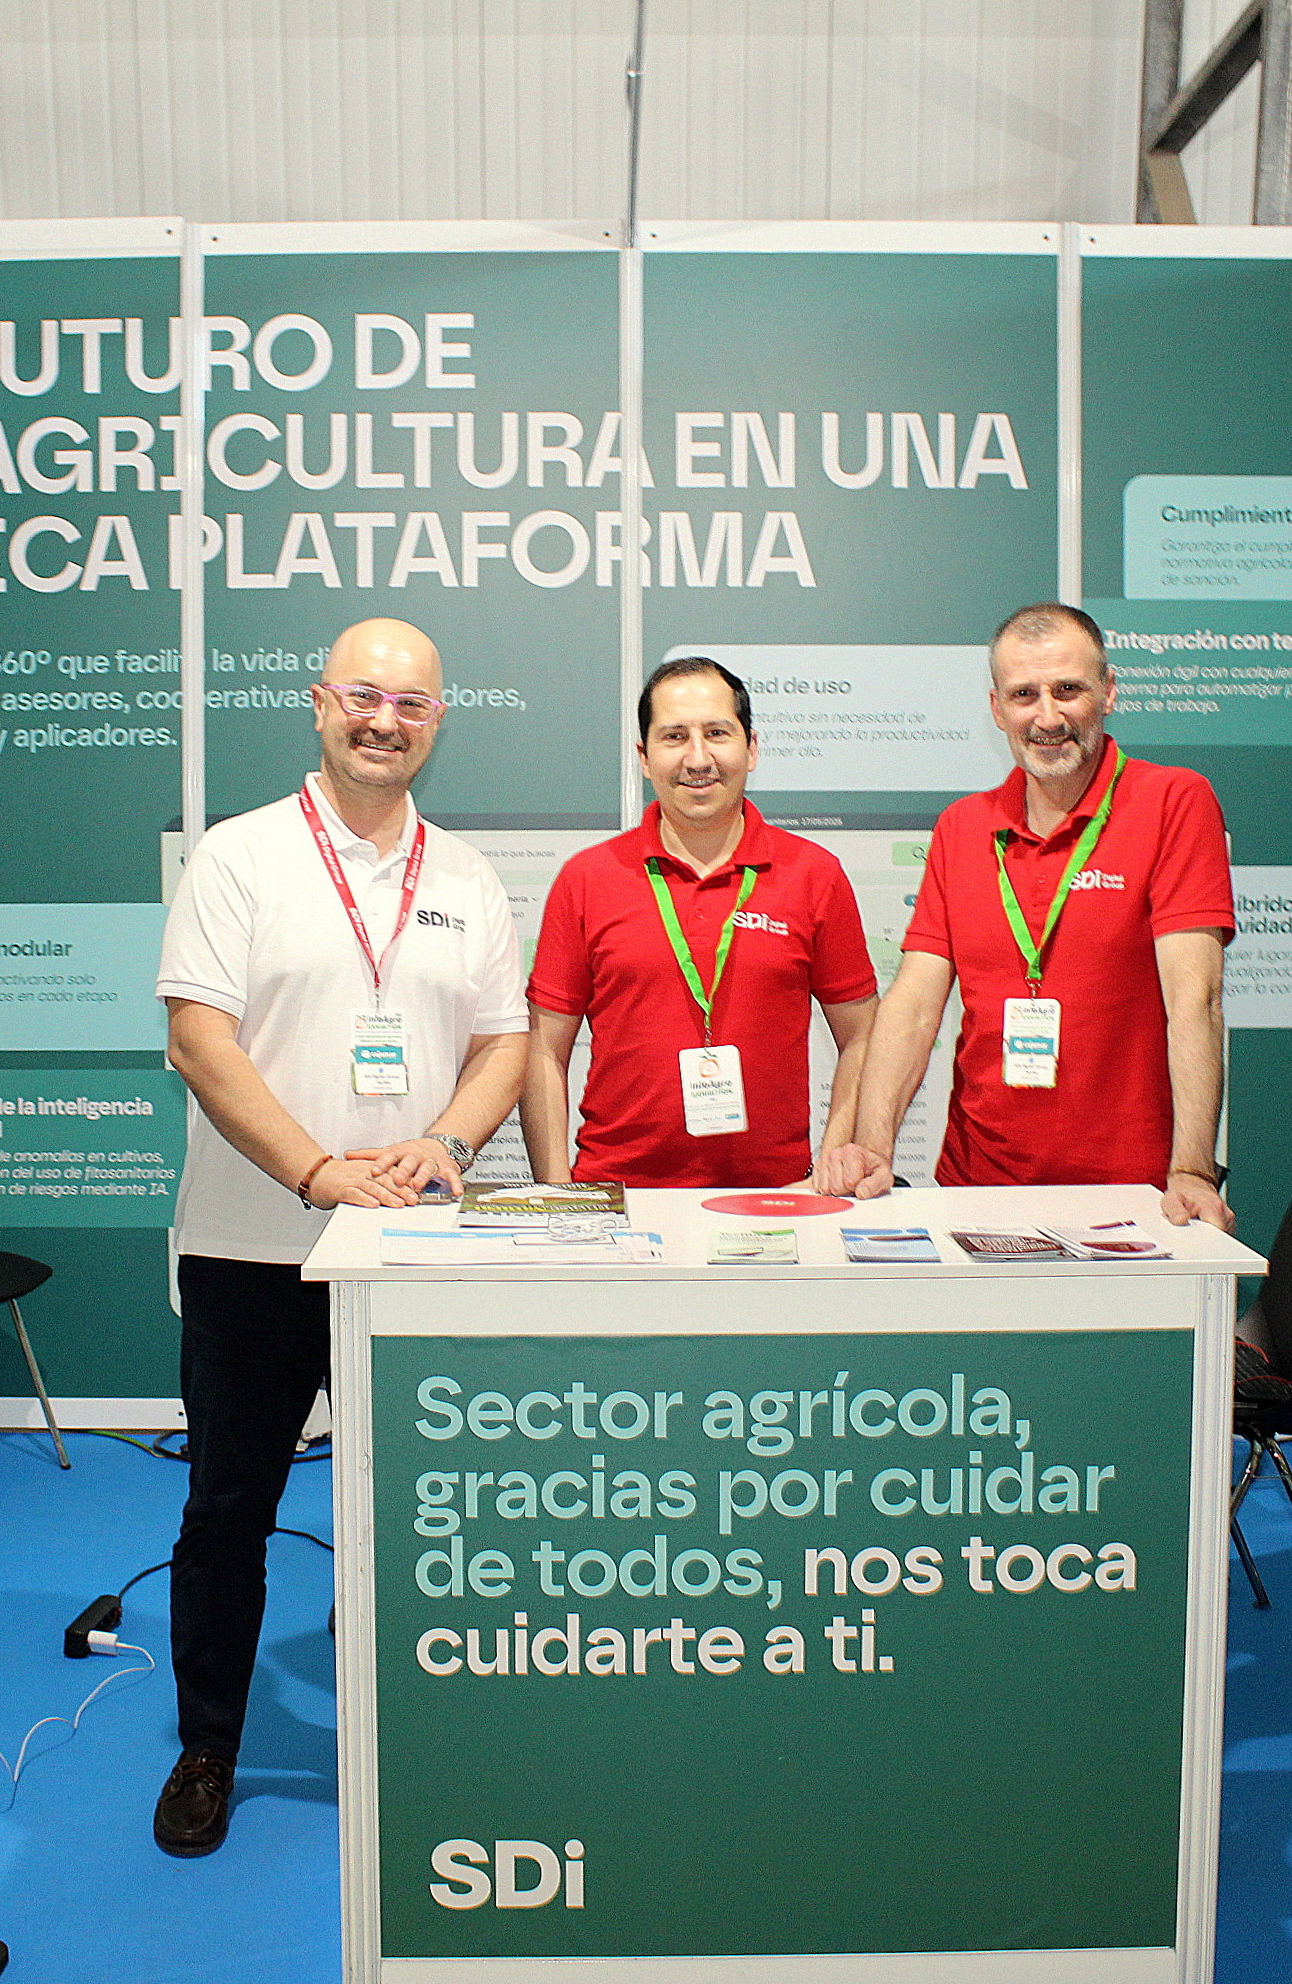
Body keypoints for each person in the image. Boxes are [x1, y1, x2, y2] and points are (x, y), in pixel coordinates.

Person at [150, 617, 527, 1856]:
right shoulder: (239, 856)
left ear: (438, 721)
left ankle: (424, 1730)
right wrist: (316, 1171)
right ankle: (210, 1745)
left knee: (425, 1512)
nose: (384, 720)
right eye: (363, 695)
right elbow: (197, 1041)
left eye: (410, 704)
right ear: (319, 704)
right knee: (229, 1510)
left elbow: (504, 1043)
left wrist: (449, 1143)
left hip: (416, 1252)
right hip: (254, 1246)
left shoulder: (466, 877)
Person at [821, 603, 1237, 1229]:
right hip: (975, 1187)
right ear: (997, 709)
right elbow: (913, 1007)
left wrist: (1193, 1170)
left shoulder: (1174, 801)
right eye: (1024, 695)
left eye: (1068, 690)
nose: (1047, 717)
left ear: (1108, 692)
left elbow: (1195, 1001)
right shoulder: (963, 827)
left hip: (1132, 1195)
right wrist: (874, 1147)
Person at [522, 657, 879, 1189]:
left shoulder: (814, 874)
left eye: (716, 733)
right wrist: (557, 1193)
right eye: (674, 736)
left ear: (750, 748)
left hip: (777, 1196)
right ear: (644, 758)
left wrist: (832, 1162)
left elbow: (864, 1035)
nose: (697, 758)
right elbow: (543, 1049)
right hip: (619, 1195)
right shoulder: (587, 879)